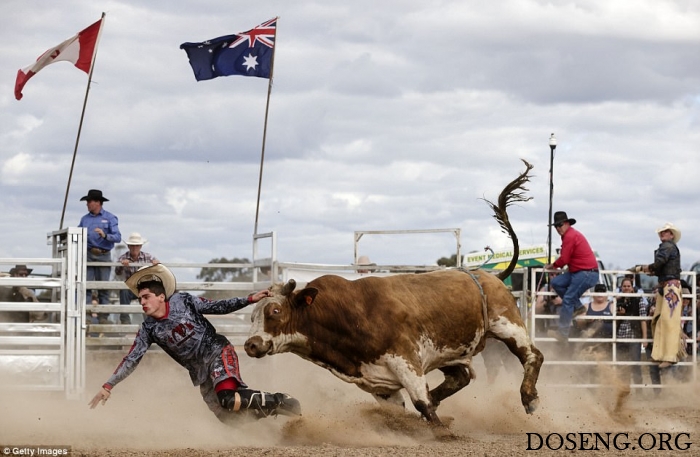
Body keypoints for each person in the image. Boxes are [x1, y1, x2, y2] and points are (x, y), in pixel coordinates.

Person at [88, 264, 301, 421]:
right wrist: (108, 385)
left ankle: (281, 400)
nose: (142, 302)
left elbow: (218, 306)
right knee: (231, 419)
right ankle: (272, 418)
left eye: (146, 297)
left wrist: (249, 299)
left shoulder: (184, 301)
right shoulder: (148, 329)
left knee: (228, 398)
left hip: (217, 351)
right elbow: (131, 359)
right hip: (200, 371)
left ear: (161, 297)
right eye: (140, 299)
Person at [630, 222, 686, 369]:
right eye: (662, 232)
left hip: (670, 288)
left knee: (667, 321)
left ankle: (669, 356)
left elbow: (659, 263)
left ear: (671, 234)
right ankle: (663, 355)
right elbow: (660, 266)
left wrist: (641, 268)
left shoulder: (667, 247)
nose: (663, 234)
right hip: (668, 287)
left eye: (666, 232)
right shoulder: (669, 247)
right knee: (662, 320)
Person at [545, 211, 600, 342]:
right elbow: (567, 258)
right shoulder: (570, 235)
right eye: (556, 226)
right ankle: (578, 306)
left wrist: (552, 265)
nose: (558, 228)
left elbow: (564, 259)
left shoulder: (569, 236)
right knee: (557, 283)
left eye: (560, 225)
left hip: (585, 272)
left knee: (568, 298)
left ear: (566, 223)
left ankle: (563, 333)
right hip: (581, 272)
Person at [78, 189, 121, 323]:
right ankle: (87, 316)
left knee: (103, 287)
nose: (87, 204)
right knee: (87, 286)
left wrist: (105, 235)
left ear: (98, 202)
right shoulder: (84, 219)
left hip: (103, 254)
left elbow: (118, 237)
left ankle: (103, 317)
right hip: (89, 254)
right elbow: (78, 233)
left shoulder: (110, 218)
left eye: (89, 201)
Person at [114, 232, 159, 325]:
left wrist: (156, 264)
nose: (135, 248)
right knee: (124, 291)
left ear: (140, 246)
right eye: (132, 246)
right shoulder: (123, 257)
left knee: (150, 294)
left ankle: (149, 320)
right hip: (131, 287)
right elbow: (117, 272)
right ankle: (125, 320)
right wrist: (122, 265)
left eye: (137, 246)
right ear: (129, 246)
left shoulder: (148, 257)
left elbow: (158, 267)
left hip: (144, 287)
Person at [615, 277, 647, 387]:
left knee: (635, 364)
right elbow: (613, 317)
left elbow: (643, 319)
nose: (626, 288)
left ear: (632, 287)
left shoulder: (639, 299)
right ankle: (624, 389)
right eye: (624, 286)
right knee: (622, 364)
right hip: (620, 335)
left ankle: (639, 390)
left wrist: (644, 337)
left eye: (628, 286)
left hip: (634, 335)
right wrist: (619, 313)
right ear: (621, 288)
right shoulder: (617, 300)